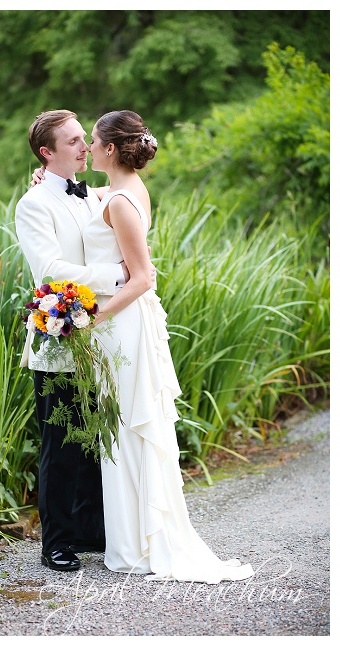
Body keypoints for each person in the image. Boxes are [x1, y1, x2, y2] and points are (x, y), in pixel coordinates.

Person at [47, 109, 254, 583]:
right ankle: (133, 536)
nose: (88, 149)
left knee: (127, 427)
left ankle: (139, 544)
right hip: (121, 325)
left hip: (120, 324)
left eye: (93, 142)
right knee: (123, 428)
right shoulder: (125, 191)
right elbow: (93, 196)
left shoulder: (120, 202)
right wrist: (49, 178)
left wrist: (90, 317)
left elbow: (143, 278)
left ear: (111, 149)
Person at [14, 110, 130, 572]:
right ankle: (56, 542)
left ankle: (88, 529)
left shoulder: (90, 194)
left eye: (85, 139)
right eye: (74, 142)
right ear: (47, 152)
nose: (86, 147)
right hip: (56, 337)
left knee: (92, 438)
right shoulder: (34, 204)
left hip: (97, 335)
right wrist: (117, 276)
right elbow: (49, 271)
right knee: (58, 445)